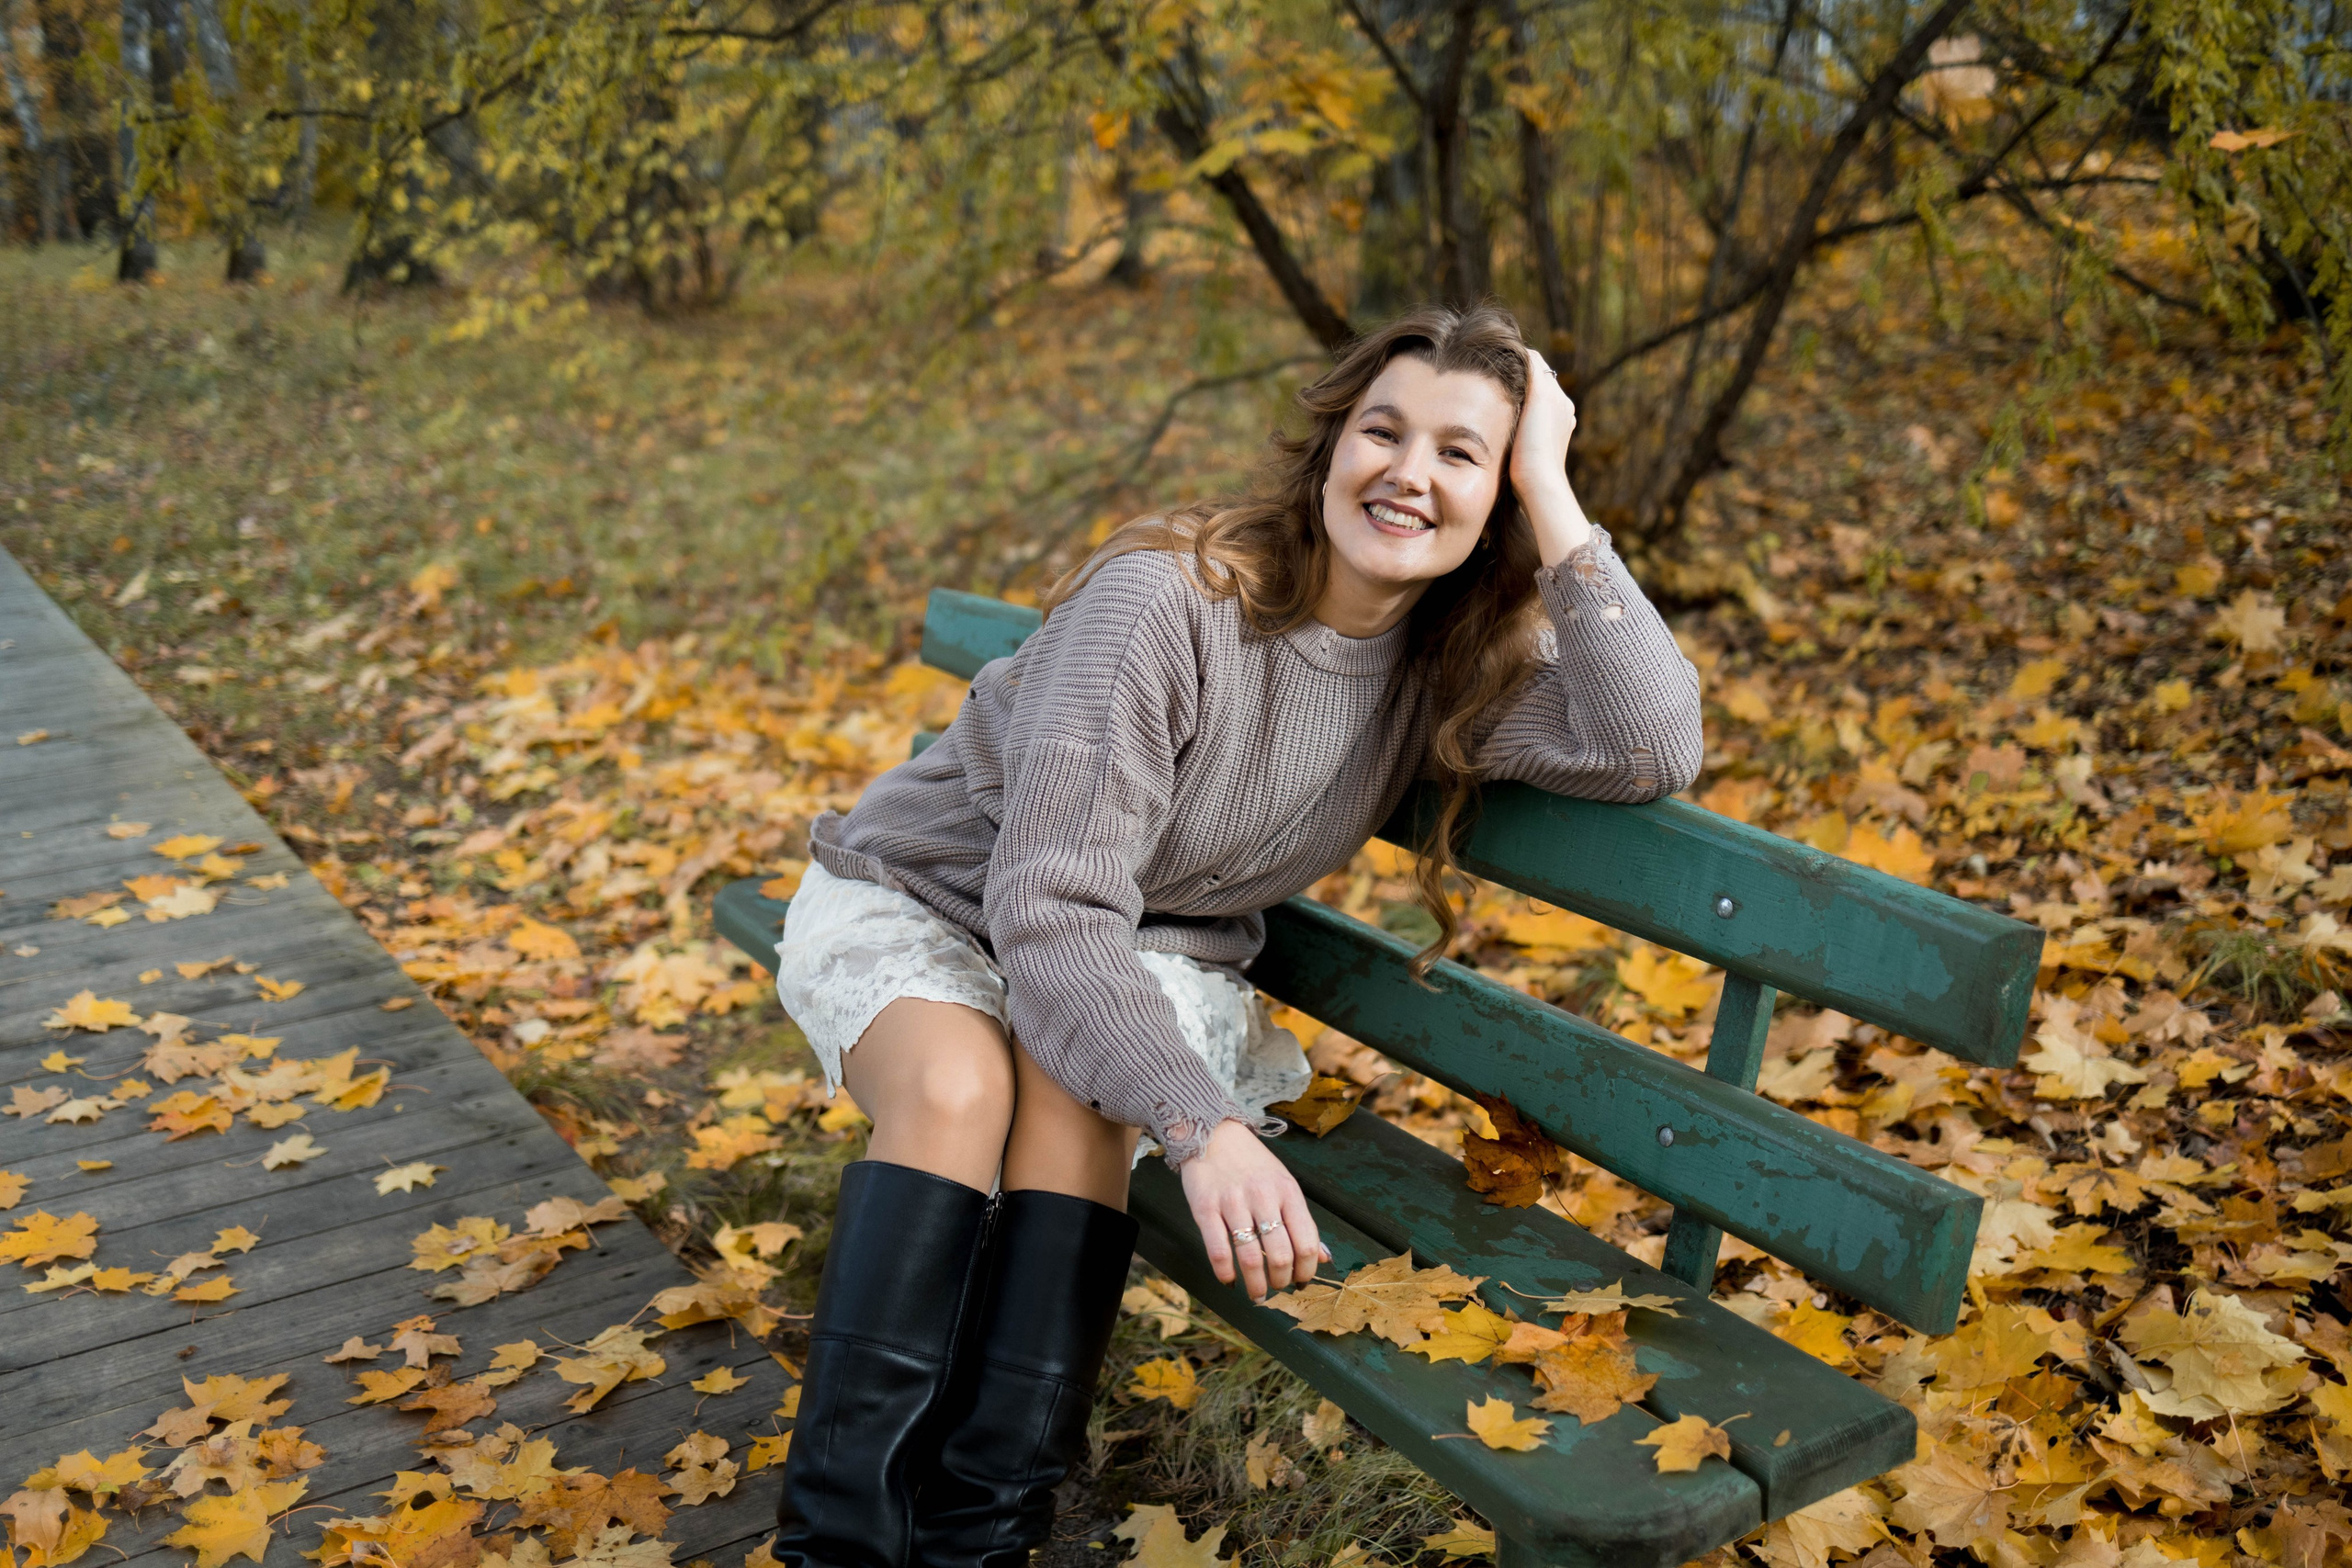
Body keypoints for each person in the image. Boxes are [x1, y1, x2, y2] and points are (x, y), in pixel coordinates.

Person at [766, 302, 1703, 1568]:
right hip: (939, 898)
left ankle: (977, 1544)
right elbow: (1047, 908)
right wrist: (1202, 1125)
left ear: (1498, 503)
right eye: (1384, 431)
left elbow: (1655, 743)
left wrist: (1554, 483)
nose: (1409, 473)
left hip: (1141, 949)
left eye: (1462, 454)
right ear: (1330, 449)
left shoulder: (1448, 662)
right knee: (955, 1085)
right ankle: (838, 1550)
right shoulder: (1168, 600)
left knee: (1070, 1094)